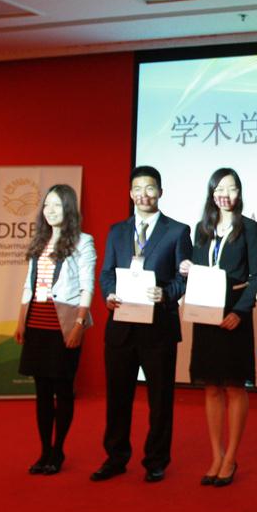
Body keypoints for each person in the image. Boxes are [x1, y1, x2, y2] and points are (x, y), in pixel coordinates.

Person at [93, 166, 191, 483]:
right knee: (117, 397)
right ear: (130, 193)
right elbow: (106, 273)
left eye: (150, 188)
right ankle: (115, 457)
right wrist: (109, 294)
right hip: (121, 325)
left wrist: (166, 293)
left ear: (160, 192)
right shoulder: (117, 232)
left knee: (160, 400)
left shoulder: (178, 231)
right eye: (137, 188)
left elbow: (184, 278)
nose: (143, 194)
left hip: (158, 327)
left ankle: (156, 460)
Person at [180, 168, 257, 487]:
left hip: (234, 314)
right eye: (219, 188)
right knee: (211, 387)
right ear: (211, 192)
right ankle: (216, 455)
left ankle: (231, 458)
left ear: (239, 193)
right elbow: (199, 269)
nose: (224, 194)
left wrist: (241, 312)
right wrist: (187, 268)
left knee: (234, 386)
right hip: (206, 314)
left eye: (231, 188)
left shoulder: (250, 228)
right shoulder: (202, 229)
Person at [14, 184, 96, 476]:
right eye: (47, 205)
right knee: (42, 392)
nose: (50, 211)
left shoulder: (83, 242)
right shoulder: (40, 240)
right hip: (37, 321)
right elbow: (29, 284)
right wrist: (21, 320)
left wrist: (79, 325)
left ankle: (58, 449)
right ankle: (44, 451)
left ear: (69, 209)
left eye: (57, 205)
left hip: (64, 323)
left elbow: (87, 286)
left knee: (63, 389)